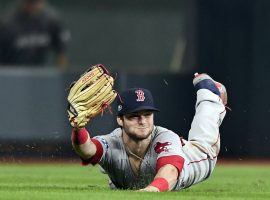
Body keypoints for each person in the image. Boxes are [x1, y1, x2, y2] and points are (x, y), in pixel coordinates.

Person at [71, 73, 227, 192]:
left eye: (147, 114)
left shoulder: (165, 138)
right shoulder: (113, 141)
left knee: (204, 137)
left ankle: (210, 94)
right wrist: (78, 128)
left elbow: (170, 171)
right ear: (120, 120)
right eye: (134, 116)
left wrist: (151, 190)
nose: (142, 121)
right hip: (140, 172)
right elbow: (87, 151)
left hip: (194, 157)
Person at [0, 0, 70, 69]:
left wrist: (62, 75)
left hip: (41, 73)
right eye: (30, 2)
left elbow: (61, 53)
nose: (33, 6)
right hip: (12, 73)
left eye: (35, 2)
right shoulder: (7, 22)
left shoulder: (51, 20)